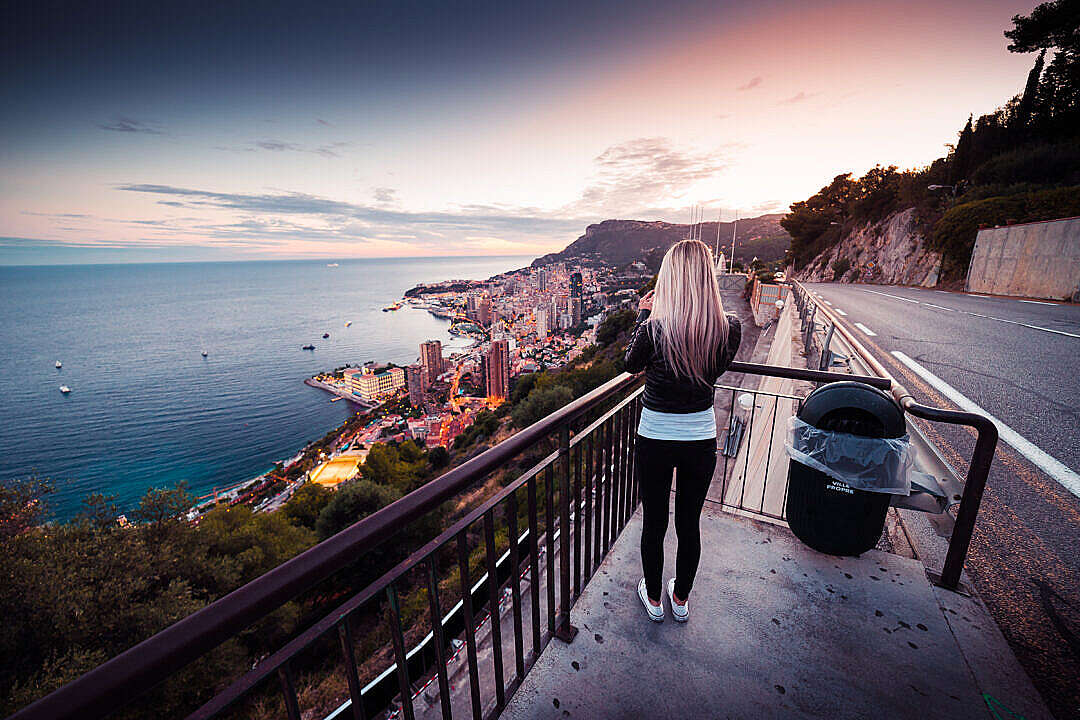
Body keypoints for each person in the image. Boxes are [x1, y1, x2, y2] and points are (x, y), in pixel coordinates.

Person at [623, 239, 742, 622]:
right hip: (700, 438)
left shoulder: (654, 329)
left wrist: (643, 316)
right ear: (707, 278)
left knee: (654, 522)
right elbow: (714, 372)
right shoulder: (728, 329)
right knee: (689, 523)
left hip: (655, 436)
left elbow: (630, 365)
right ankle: (681, 599)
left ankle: (654, 600)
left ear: (670, 279)